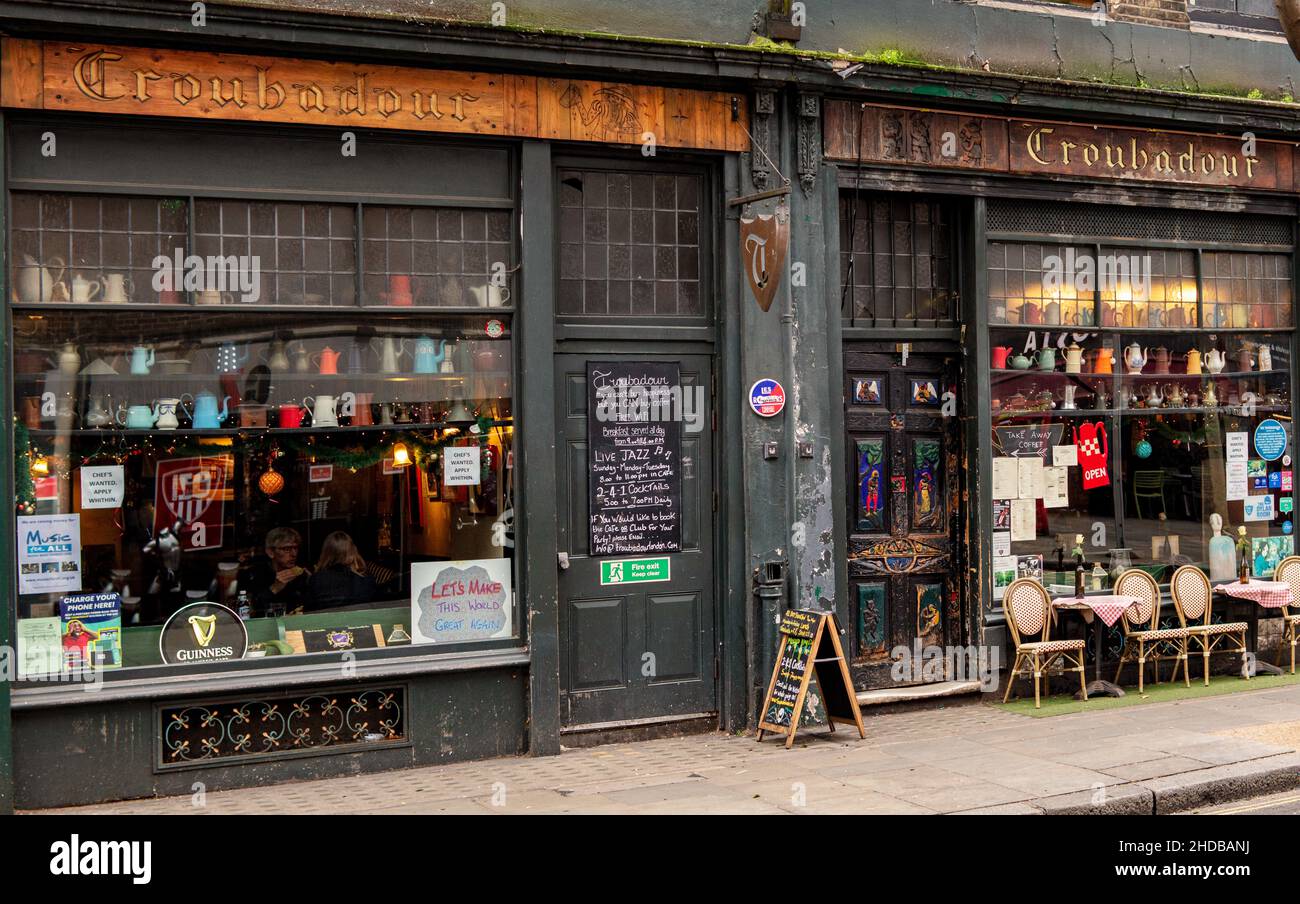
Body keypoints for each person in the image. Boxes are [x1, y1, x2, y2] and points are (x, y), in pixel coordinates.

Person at [239, 527, 311, 617]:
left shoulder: (302, 575)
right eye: (287, 549)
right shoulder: (254, 575)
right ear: (270, 552)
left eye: (295, 548)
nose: (294, 554)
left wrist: (312, 582)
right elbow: (247, 612)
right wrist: (274, 589)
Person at [307, 532, 377, 611]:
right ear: (352, 551)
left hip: (327, 622)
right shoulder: (365, 579)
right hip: (359, 622)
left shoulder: (316, 580)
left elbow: (309, 611)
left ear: (326, 553)